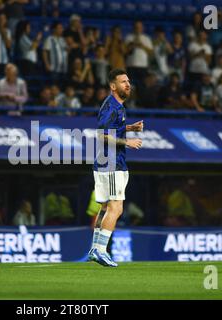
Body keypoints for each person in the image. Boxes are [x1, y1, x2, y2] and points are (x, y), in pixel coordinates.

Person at [88, 69, 143, 267]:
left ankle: (95, 248)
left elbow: (111, 128)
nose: (128, 84)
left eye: (128, 81)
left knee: (104, 207)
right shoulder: (112, 106)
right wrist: (127, 142)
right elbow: (101, 135)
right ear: (113, 86)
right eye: (123, 82)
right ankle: (101, 250)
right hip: (112, 163)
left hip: (104, 162)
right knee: (116, 207)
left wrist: (129, 128)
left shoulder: (115, 106)